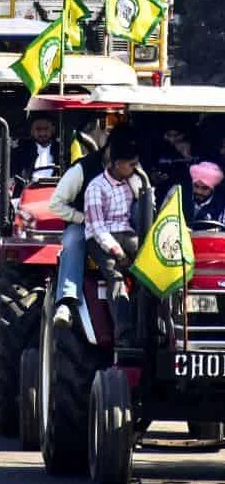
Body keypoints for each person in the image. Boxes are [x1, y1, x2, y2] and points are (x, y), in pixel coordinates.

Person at [49, 122, 132, 329]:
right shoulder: (82, 168)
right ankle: (67, 302)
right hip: (84, 224)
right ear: (110, 149)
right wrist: (83, 219)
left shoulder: (134, 171)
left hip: (119, 226)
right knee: (74, 241)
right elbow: (56, 204)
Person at [83, 134, 143, 347]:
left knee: (148, 272)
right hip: (102, 239)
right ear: (117, 164)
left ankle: (153, 329)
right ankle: (124, 336)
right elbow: (98, 228)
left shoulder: (132, 182)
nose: (136, 168)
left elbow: (144, 203)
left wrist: (138, 180)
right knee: (115, 277)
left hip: (128, 234)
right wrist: (118, 253)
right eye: (132, 165)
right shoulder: (96, 187)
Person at [11, 114, 60, 182]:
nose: (42, 133)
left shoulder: (61, 150)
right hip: (29, 188)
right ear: (31, 131)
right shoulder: (21, 152)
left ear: (53, 129)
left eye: (46, 129)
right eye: (38, 129)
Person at [189, 161, 225, 229]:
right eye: (196, 186)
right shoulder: (181, 197)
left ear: (212, 189)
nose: (199, 191)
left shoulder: (222, 205)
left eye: (205, 188)